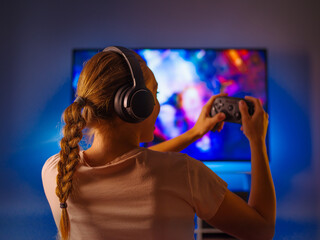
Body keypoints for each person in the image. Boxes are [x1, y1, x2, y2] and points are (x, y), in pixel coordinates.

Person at [42, 46, 276, 240]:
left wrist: (194, 133)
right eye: (154, 94)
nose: (159, 105)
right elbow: (261, 230)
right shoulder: (184, 173)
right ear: (137, 105)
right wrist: (257, 141)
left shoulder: (57, 171)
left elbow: (135, 165)